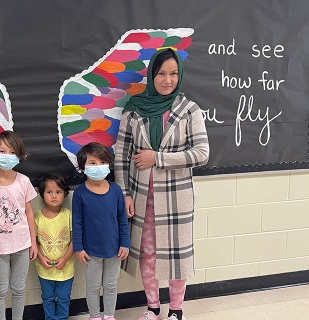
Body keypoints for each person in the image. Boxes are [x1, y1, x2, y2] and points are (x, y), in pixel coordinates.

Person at [114, 48, 210, 320]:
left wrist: (157, 158)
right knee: (148, 254)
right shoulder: (134, 109)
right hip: (142, 196)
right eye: (161, 74)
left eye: (173, 74)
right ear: (151, 76)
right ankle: (153, 307)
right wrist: (124, 193)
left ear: (179, 76)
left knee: (177, 256)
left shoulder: (190, 110)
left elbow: (202, 154)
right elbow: (121, 155)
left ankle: (176, 310)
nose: (167, 80)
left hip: (177, 198)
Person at [0, 130, 38, 320]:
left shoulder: (23, 181)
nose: (7, 156)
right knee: (0, 289)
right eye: (2, 151)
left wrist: (34, 243)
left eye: (12, 152)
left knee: (19, 288)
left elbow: (29, 213)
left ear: (19, 155)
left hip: (22, 244)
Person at [72, 142, 130, 320]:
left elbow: (122, 219)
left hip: (114, 249)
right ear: (82, 168)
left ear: (109, 164)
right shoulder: (80, 194)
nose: (98, 167)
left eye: (102, 162)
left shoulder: (116, 190)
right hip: (90, 251)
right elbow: (77, 223)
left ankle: (109, 316)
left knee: (111, 285)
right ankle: (95, 316)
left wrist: (125, 244)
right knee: (93, 286)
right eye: (92, 163)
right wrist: (78, 248)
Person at [34, 173, 75, 320]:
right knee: (48, 297)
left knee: (64, 298)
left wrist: (65, 259)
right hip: (44, 269)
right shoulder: (37, 217)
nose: (54, 196)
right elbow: (34, 242)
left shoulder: (68, 215)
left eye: (58, 192)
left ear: (64, 194)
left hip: (66, 268)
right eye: (49, 192)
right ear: (42, 194)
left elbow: (74, 240)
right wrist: (40, 257)